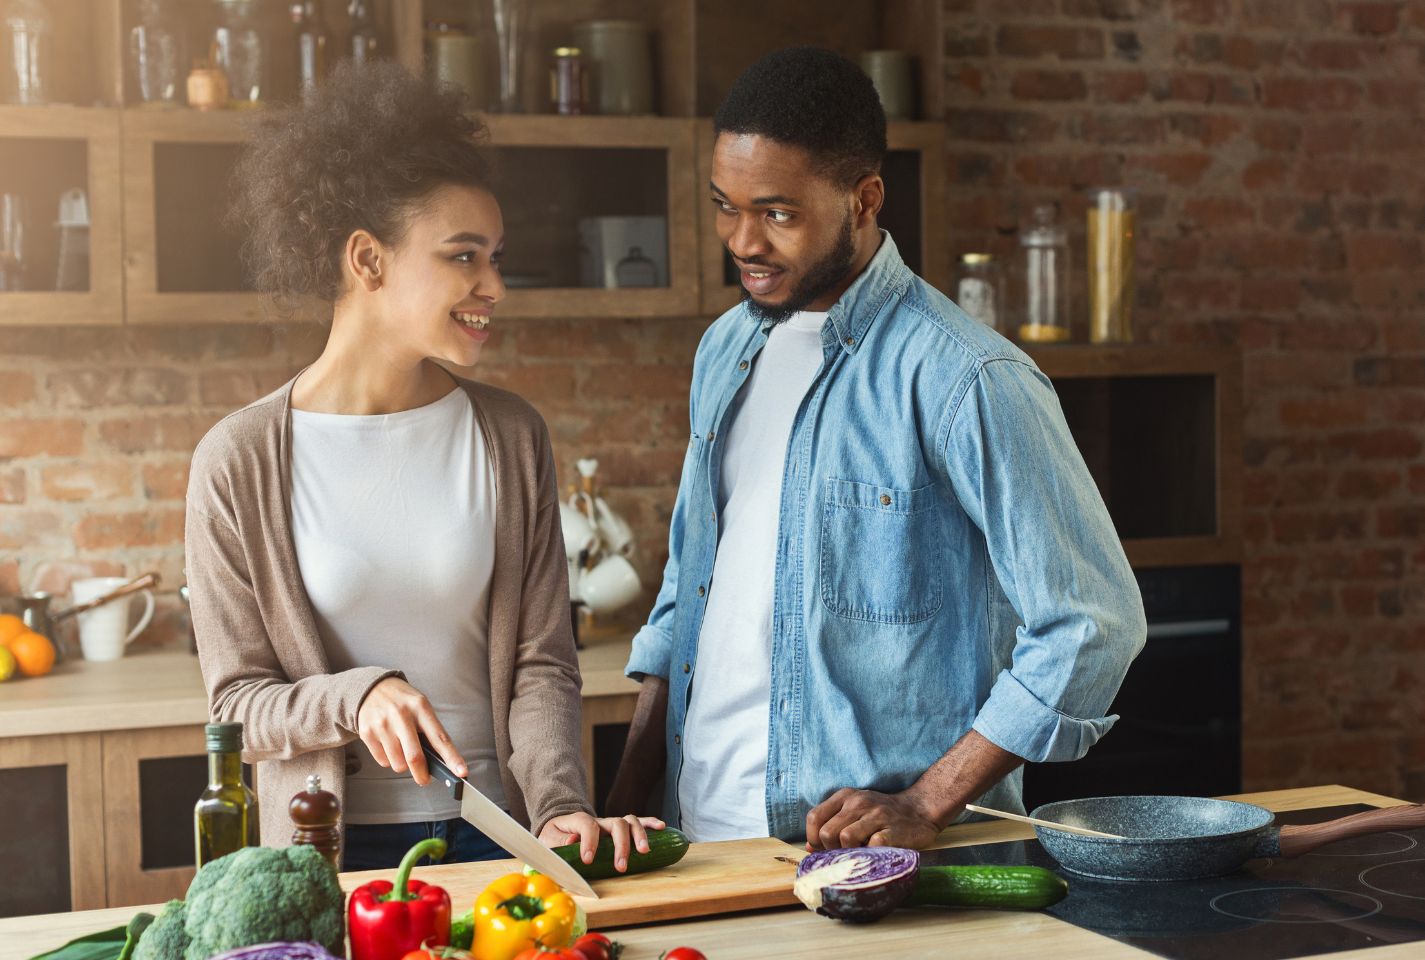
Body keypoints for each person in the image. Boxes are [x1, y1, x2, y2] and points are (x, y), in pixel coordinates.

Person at [606, 47, 1146, 850]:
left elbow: (1092, 622)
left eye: (778, 213)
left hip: (882, 864)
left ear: (863, 200)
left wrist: (927, 801)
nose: (742, 240)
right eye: (726, 205)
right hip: (701, 845)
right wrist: (619, 801)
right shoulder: (722, 351)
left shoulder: (967, 376)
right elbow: (687, 594)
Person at [186, 60, 660, 870]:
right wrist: (358, 692)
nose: (494, 286)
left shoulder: (510, 437)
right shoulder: (238, 460)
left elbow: (541, 663)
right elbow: (237, 706)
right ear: (367, 261)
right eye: (464, 256)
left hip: (499, 838)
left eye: (497, 257)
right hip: (325, 855)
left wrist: (557, 807)